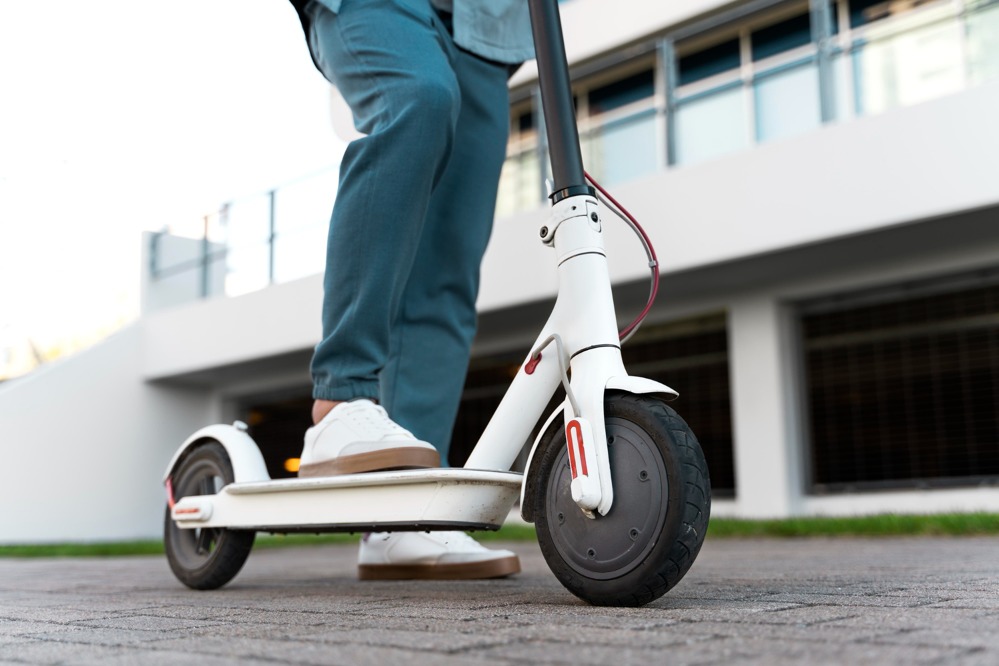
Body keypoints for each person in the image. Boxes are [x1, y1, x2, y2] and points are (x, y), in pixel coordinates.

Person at [287, 0, 535, 579]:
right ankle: (339, 398)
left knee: (448, 267)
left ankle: (402, 518)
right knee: (417, 100)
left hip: (486, 26)